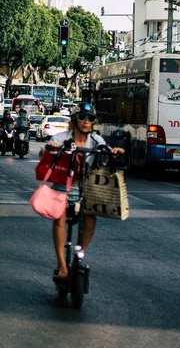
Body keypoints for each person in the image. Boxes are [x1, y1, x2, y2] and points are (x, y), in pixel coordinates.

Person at [45, 102, 124, 279]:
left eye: (90, 119)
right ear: (75, 120)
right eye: (82, 117)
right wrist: (51, 149)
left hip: (86, 187)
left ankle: (79, 256)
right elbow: (48, 151)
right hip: (63, 187)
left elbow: (107, 152)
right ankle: (62, 264)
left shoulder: (96, 140)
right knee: (59, 218)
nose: (86, 122)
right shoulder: (62, 138)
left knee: (90, 217)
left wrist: (115, 152)